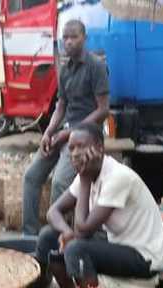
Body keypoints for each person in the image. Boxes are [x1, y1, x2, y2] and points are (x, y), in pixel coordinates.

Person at [31, 123, 163, 288]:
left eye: (82, 146)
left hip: (144, 258)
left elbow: (83, 231)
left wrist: (84, 178)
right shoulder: (87, 173)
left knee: (76, 249)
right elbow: (53, 211)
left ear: (100, 149)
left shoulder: (117, 176)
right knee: (48, 236)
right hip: (117, 245)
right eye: (71, 148)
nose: (75, 153)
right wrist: (66, 232)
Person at [22, 20, 109, 236]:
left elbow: (103, 110)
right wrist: (49, 133)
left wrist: (68, 133)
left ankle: (57, 237)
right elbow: (61, 105)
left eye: (74, 37)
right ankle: (30, 235)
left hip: (86, 138)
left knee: (60, 182)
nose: (68, 42)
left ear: (84, 38)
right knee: (31, 176)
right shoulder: (65, 69)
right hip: (64, 133)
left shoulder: (96, 67)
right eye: (65, 37)